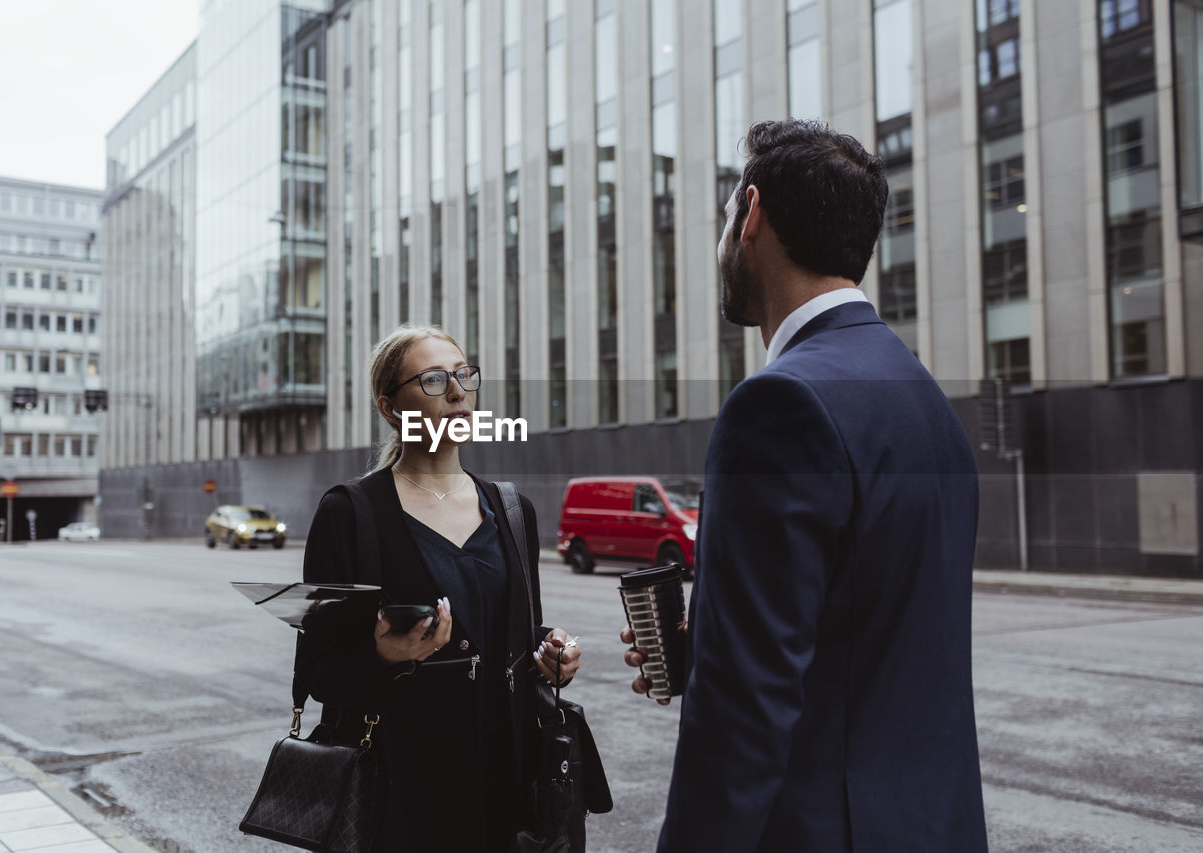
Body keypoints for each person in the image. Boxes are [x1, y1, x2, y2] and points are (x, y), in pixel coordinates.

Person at [623, 120, 988, 852]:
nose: (725, 239)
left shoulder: (778, 405)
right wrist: (718, 640)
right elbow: (880, 637)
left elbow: (741, 720)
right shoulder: (927, 401)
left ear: (752, 215)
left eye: (729, 216)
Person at [298, 324, 582, 852]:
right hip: (401, 793)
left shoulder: (513, 510)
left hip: (506, 788)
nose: (457, 393)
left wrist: (550, 649)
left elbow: (512, 630)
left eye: (463, 375)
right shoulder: (349, 514)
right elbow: (318, 670)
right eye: (432, 380)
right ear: (389, 408)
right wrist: (383, 655)